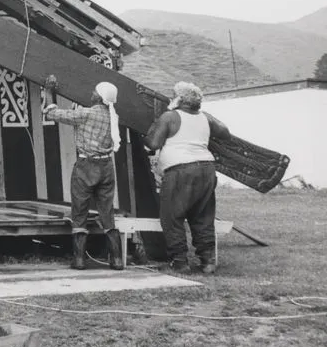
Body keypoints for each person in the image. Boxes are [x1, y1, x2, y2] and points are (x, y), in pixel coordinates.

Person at [145, 81, 231, 274]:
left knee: (172, 217)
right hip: (207, 168)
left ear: (178, 99)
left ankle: (180, 261)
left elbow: (153, 143)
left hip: (180, 170)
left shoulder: (170, 117)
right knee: (203, 216)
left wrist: (154, 126)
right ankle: (208, 261)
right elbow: (225, 132)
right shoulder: (205, 117)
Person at [44, 78, 124, 271]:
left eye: (94, 92)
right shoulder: (113, 117)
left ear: (98, 96)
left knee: (79, 212)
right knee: (107, 213)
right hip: (107, 167)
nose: (91, 93)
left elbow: (52, 114)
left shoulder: (86, 114)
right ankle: (117, 260)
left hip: (86, 166)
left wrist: (48, 92)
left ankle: (79, 260)